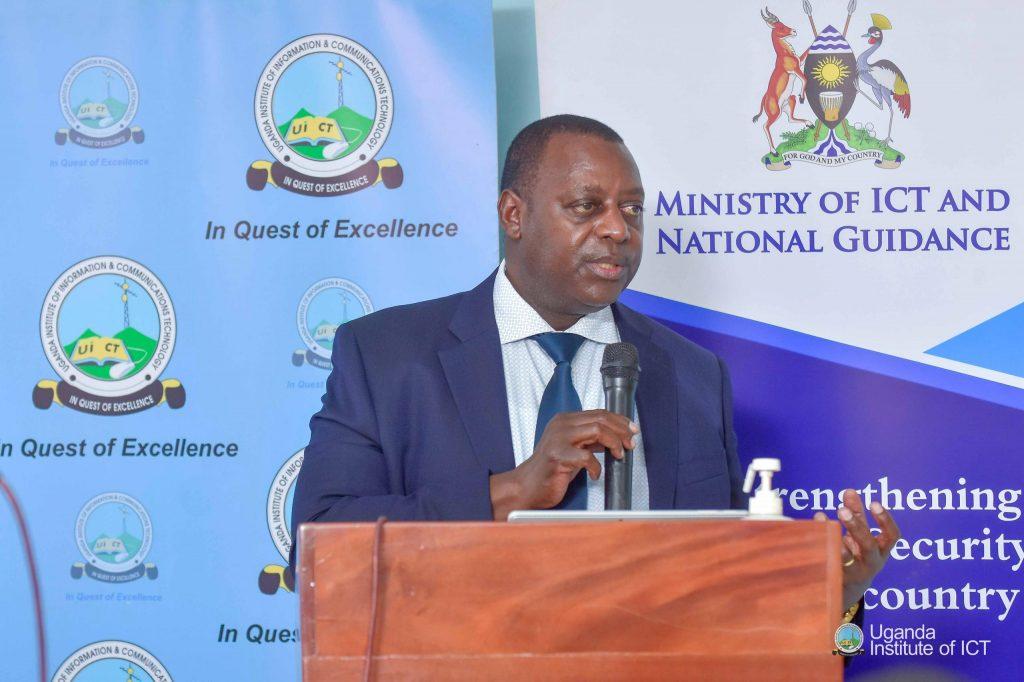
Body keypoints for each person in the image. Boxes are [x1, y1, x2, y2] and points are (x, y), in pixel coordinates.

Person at [290, 114, 899, 620]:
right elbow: (317, 549)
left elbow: (721, 590)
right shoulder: (387, 356)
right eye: (587, 206)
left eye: (631, 210)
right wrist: (508, 493)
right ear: (514, 215)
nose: (617, 229)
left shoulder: (692, 375)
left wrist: (832, 595)